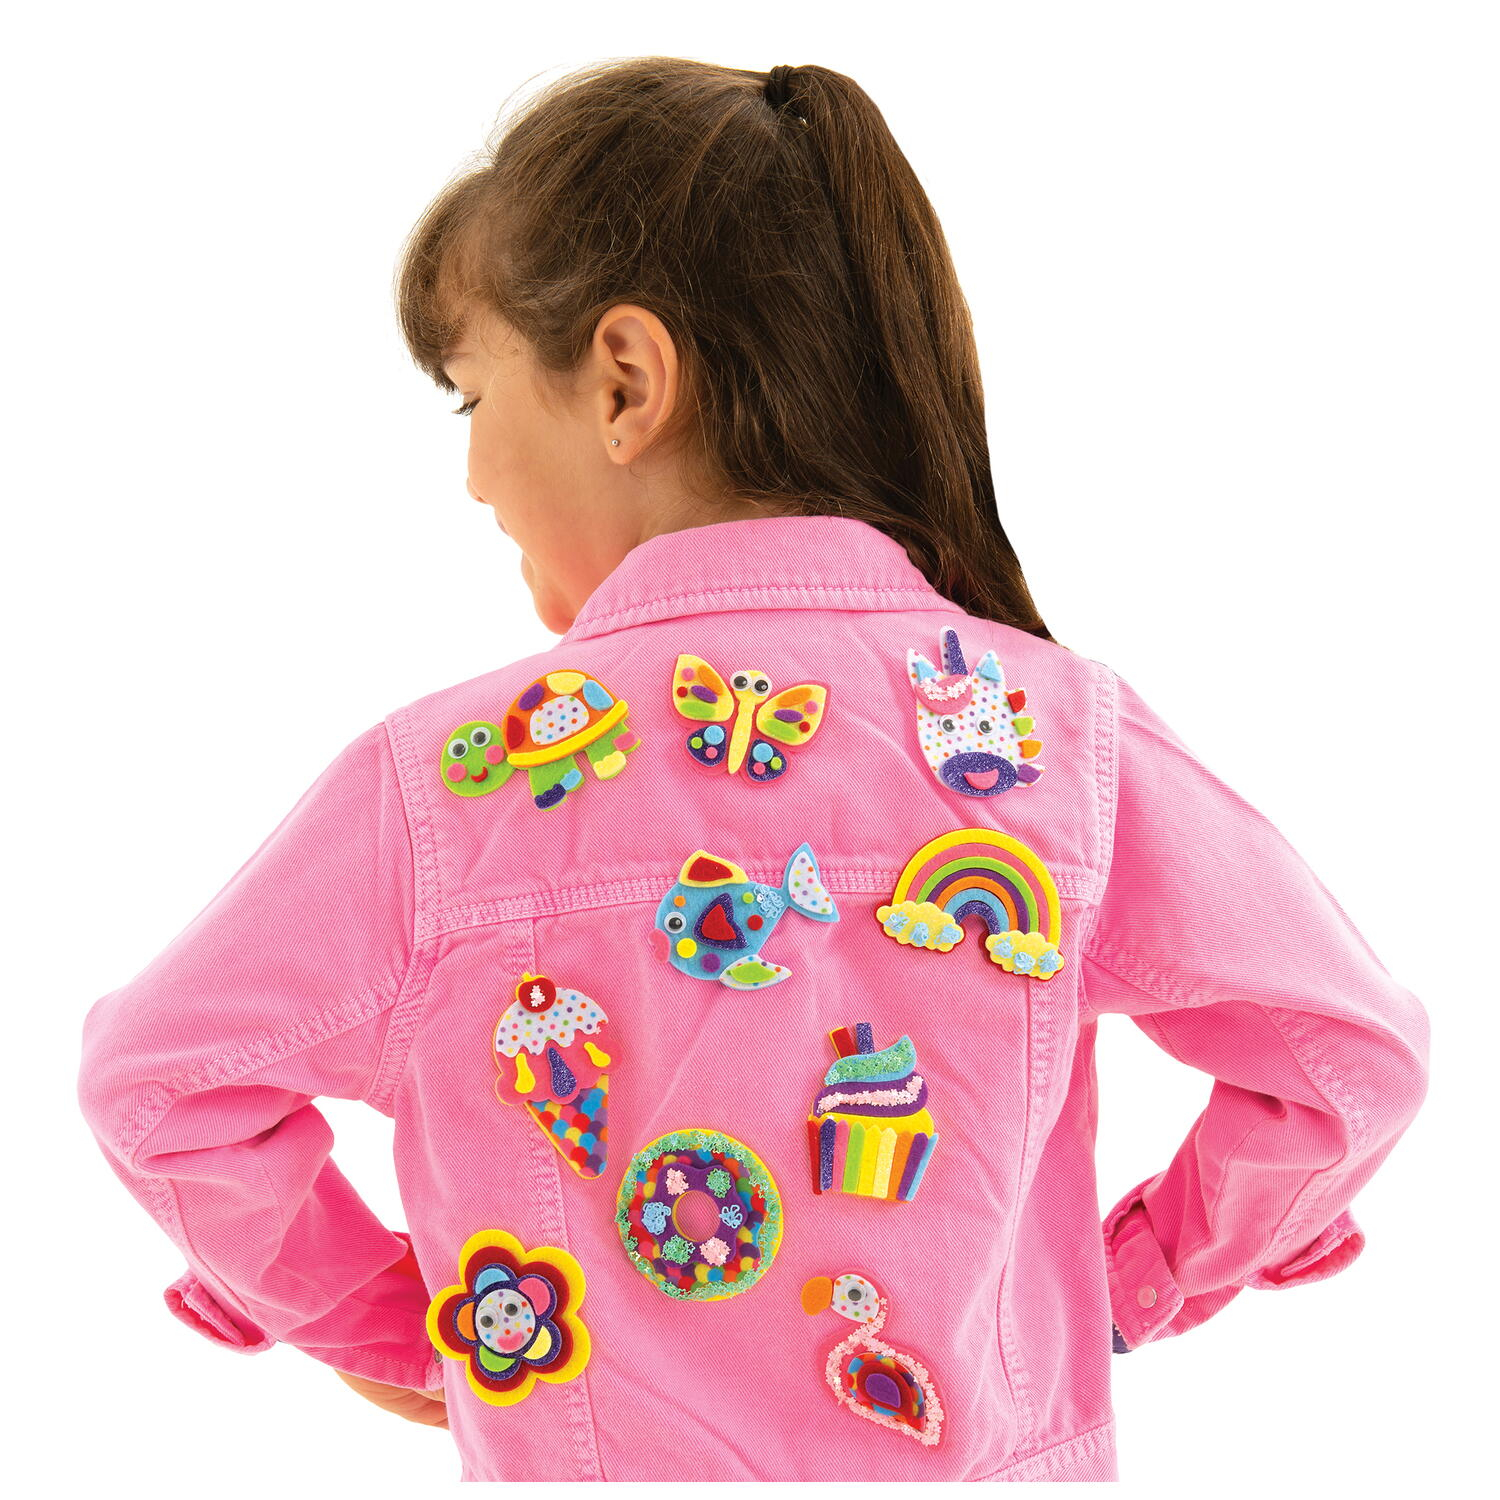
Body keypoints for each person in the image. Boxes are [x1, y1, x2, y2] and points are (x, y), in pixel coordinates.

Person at [77, 57, 1429, 1483]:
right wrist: (1129, 1285)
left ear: (625, 382)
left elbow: (160, 1087)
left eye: (471, 400)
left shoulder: (444, 793)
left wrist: (419, 1329)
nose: (473, 477)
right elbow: (1350, 1062)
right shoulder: (1053, 739)